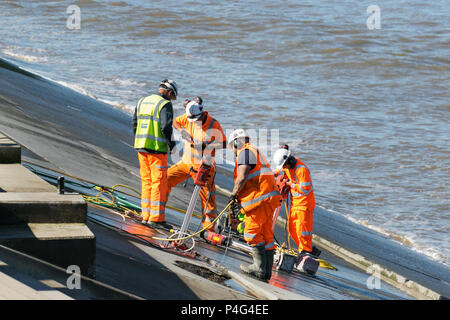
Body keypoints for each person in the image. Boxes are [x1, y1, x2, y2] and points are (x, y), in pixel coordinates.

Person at [228, 129, 282, 281]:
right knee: (266, 235)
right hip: (268, 199)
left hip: (259, 200)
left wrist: (233, 194)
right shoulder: (254, 152)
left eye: (232, 146)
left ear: (236, 142)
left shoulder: (245, 153)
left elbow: (242, 175)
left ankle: (258, 267)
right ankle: (266, 272)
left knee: (251, 232)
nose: (233, 150)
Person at [167, 97, 226, 231]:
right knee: (164, 180)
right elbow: (175, 122)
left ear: (202, 114)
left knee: (208, 200)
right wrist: (182, 131)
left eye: (196, 120)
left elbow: (223, 142)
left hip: (204, 168)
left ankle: (209, 230)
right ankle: (156, 215)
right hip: (186, 164)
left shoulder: (213, 124)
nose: (194, 122)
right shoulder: (188, 117)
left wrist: (207, 145)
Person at [132, 79, 177, 230]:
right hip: (157, 150)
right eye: (172, 96)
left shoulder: (142, 101)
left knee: (146, 181)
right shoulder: (165, 104)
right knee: (158, 183)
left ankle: (146, 216)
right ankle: (156, 219)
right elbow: (166, 127)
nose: (172, 99)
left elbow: (134, 123)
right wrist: (172, 144)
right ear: (170, 93)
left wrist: (140, 140)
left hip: (141, 148)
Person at [273, 144, 319, 260]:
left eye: (285, 166)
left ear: (290, 161)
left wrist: (290, 184)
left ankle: (306, 251)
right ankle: (303, 249)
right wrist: (271, 174)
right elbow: (280, 170)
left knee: (302, 230)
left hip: (304, 204)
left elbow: (305, 189)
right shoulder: (287, 167)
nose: (285, 168)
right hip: (295, 203)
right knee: (292, 228)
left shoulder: (301, 170)